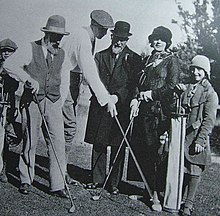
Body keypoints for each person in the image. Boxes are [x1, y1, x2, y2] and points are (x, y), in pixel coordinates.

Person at [4, 15, 70, 198]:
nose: (57, 40)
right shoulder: (30, 48)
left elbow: (65, 80)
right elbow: (9, 65)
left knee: (58, 142)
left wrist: (60, 101)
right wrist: (27, 79)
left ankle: (57, 185)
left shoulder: (62, 54)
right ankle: (26, 179)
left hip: (54, 103)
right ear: (46, 34)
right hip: (32, 101)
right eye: (54, 36)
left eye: (60, 37)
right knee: (30, 140)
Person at [84, 21, 142, 194]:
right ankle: (97, 179)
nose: (119, 42)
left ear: (127, 40)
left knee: (118, 145)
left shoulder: (135, 59)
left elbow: (132, 85)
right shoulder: (100, 56)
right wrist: (104, 97)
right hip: (101, 107)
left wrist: (117, 97)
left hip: (121, 108)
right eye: (117, 37)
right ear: (112, 36)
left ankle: (114, 183)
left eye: (123, 39)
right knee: (99, 143)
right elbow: (94, 80)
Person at [60, 10, 117, 183]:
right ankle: (60, 173)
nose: (106, 33)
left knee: (66, 128)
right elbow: (89, 70)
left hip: (74, 83)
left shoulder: (89, 38)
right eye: (104, 29)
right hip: (64, 81)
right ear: (95, 26)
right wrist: (106, 98)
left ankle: (60, 170)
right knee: (68, 128)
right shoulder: (82, 37)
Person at [129, 26, 180, 205]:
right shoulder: (149, 58)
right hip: (144, 113)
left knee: (156, 155)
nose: (157, 42)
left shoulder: (172, 60)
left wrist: (151, 94)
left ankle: (156, 197)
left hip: (160, 115)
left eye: (161, 39)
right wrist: (136, 98)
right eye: (155, 38)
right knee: (144, 153)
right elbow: (139, 81)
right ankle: (146, 192)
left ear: (167, 42)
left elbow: (172, 85)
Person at [179, 55, 218, 216]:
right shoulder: (186, 87)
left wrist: (201, 140)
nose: (195, 72)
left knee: (194, 170)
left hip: (196, 137)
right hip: (182, 135)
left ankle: (189, 203)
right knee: (181, 169)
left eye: (200, 69)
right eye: (193, 69)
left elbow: (209, 120)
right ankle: (178, 199)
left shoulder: (210, 93)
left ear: (206, 72)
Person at [0, 38, 19, 183]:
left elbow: (14, 87)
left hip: (8, 105)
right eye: (4, 51)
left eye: (10, 52)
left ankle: (3, 170)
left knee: (5, 140)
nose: (6, 54)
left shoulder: (15, 68)